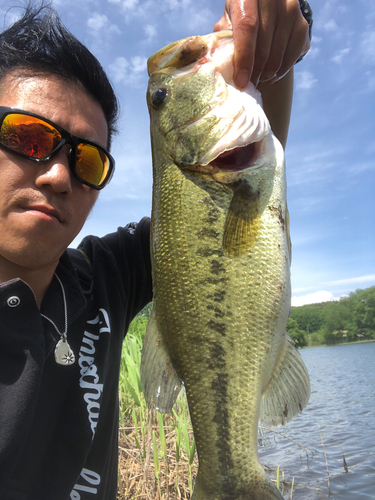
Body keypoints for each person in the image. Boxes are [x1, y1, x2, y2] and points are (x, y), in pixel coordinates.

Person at [0, 1, 311, 498]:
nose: (59, 176)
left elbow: (247, 175)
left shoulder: (103, 278)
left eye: (87, 160)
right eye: (28, 137)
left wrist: (269, 40)